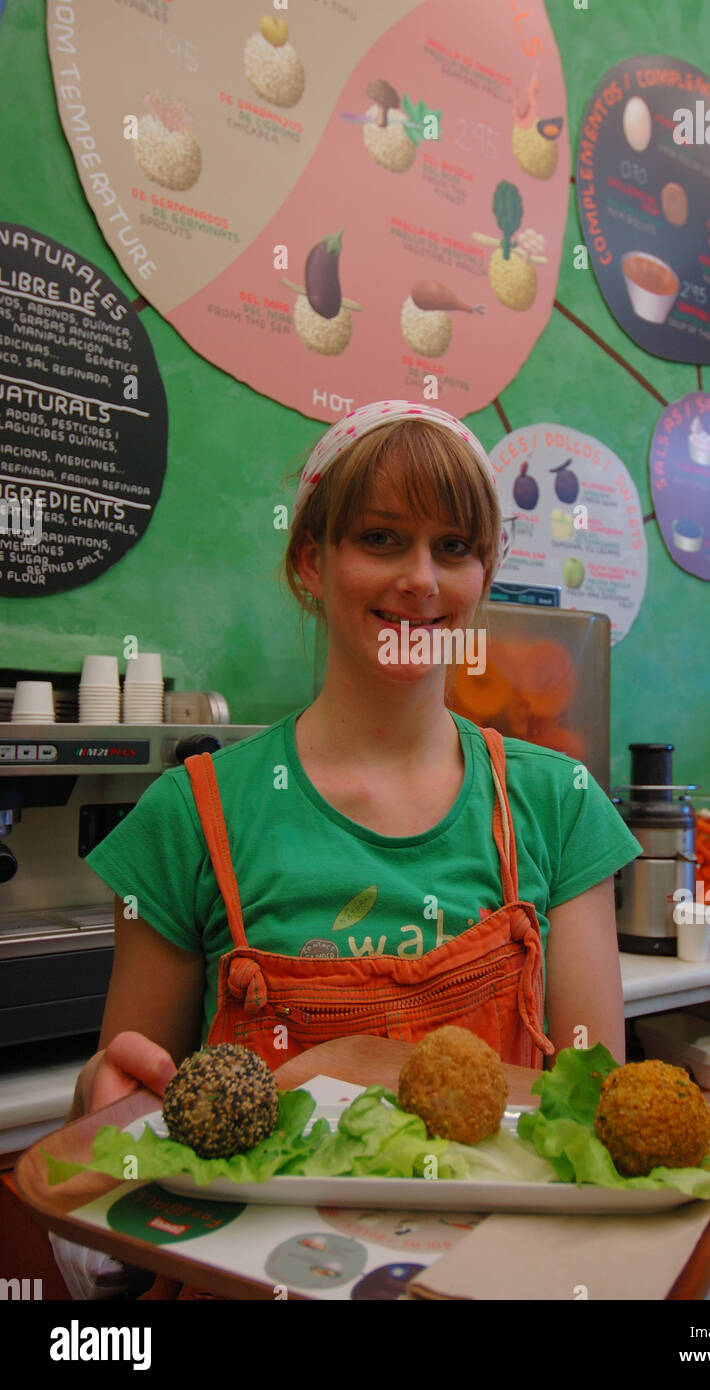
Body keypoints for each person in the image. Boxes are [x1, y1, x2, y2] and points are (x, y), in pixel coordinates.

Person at [69, 400, 641, 1126]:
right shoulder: (187, 819)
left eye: (455, 547)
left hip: (501, 1237)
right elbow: (125, 1115)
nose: (422, 580)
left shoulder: (560, 804)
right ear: (311, 560)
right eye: (381, 538)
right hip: (258, 1241)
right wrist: (99, 1094)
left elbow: (595, 1111)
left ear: (486, 571)